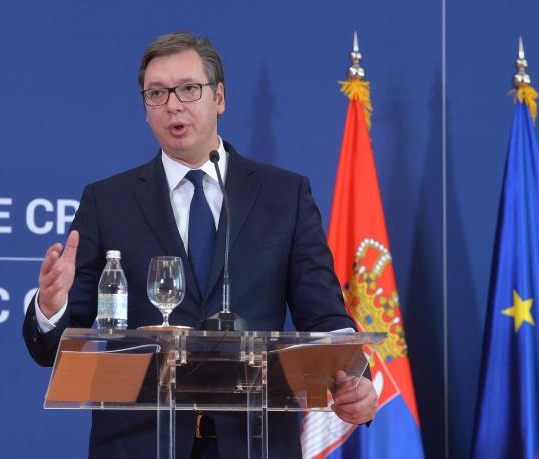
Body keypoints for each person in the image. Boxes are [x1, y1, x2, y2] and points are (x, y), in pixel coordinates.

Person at [23, 31, 378, 459]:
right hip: (139, 444)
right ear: (146, 110)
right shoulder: (108, 202)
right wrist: (50, 307)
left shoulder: (284, 197)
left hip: (255, 442)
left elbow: (323, 314)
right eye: (157, 93)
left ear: (219, 98)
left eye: (188, 89)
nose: (173, 104)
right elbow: (55, 346)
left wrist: (357, 377)